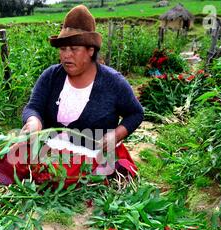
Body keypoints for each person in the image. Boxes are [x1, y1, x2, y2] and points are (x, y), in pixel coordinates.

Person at [21, 4, 144, 154]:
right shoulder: (51, 76)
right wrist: (33, 121)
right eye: (63, 49)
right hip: (49, 159)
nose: (66, 55)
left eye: (74, 49)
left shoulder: (113, 82)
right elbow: (34, 107)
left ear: (90, 50)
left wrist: (116, 135)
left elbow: (136, 113)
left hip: (93, 163)